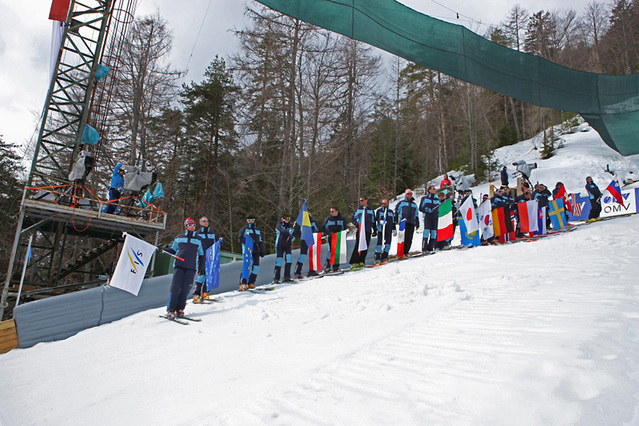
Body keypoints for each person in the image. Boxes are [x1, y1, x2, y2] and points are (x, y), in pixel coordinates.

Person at [164, 217, 204, 319]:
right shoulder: (179, 238)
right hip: (179, 266)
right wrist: (164, 250)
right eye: (190, 225)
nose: (192, 227)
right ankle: (171, 310)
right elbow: (173, 250)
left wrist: (201, 267)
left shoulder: (198, 240)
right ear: (186, 226)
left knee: (186, 288)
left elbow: (201, 254)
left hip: (191, 268)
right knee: (175, 288)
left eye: (194, 225)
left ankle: (180, 309)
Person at [238, 214, 266, 290]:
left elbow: (260, 241)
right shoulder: (244, 229)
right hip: (247, 251)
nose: (251, 222)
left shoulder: (257, 230)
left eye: (252, 220)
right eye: (249, 220)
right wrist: (249, 242)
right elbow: (240, 239)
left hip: (256, 250)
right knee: (246, 266)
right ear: (247, 221)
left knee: (256, 267)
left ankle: (251, 282)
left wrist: (262, 250)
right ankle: (243, 283)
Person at [193, 217, 216, 303]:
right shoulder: (197, 233)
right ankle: (196, 293)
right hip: (201, 256)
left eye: (207, 221)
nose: (206, 222)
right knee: (201, 275)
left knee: (209, 275)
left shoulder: (212, 233)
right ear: (200, 222)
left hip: (210, 256)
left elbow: (215, 244)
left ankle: (205, 292)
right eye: (204, 221)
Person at [349, 196, 375, 267]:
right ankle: (354, 262)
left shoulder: (370, 210)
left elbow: (373, 220)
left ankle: (361, 260)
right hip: (360, 231)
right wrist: (357, 224)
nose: (361, 202)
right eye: (360, 201)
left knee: (365, 246)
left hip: (368, 230)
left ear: (366, 200)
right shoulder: (358, 209)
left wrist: (375, 230)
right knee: (358, 245)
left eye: (362, 200)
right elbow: (353, 219)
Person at [294, 212, 321, 279]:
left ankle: (312, 270)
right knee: (302, 255)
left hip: (312, 239)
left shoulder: (313, 221)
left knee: (313, 255)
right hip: (304, 240)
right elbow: (297, 232)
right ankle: (297, 272)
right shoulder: (301, 222)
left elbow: (318, 230)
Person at [395, 189, 419, 257]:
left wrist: (417, 223)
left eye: (410, 194)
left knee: (409, 238)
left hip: (411, 222)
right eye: (408, 194)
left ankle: (406, 252)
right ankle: (400, 252)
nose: (409, 195)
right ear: (405, 195)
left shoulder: (414, 204)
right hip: (403, 222)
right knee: (402, 238)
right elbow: (397, 211)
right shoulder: (401, 203)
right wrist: (396, 220)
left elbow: (416, 215)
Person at [322, 206, 347, 272]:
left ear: (337, 211)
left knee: (337, 252)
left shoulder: (342, 218)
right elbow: (323, 228)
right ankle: (327, 266)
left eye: (332, 211)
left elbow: (344, 228)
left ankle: (335, 267)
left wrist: (342, 234)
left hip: (338, 237)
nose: (331, 213)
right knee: (331, 251)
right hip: (331, 237)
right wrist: (329, 233)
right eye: (330, 211)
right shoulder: (328, 219)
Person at [419, 185, 441, 253]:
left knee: (434, 233)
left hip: (435, 218)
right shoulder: (424, 198)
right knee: (426, 232)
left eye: (435, 189)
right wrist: (426, 209)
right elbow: (420, 208)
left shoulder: (437, 200)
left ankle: (430, 248)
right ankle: (424, 248)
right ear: (429, 190)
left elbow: (440, 208)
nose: (435, 190)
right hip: (427, 217)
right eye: (433, 189)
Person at [273, 214, 294, 283]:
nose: (287, 220)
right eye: (285, 218)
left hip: (287, 245)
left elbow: (291, 235)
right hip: (280, 245)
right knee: (279, 261)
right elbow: (282, 232)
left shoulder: (290, 226)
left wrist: (292, 236)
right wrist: (289, 232)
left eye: (288, 218)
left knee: (289, 259)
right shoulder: (279, 226)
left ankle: (287, 276)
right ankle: (276, 278)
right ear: (282, 219)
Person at [374, 199, 396, 263]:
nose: (383, 205)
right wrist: (380, 221)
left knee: (388, 243)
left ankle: (385, 256)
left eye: (385, 203)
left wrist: (394, 229)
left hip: (388, 230)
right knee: (379, 244)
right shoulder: (379, 211)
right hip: (381, 230)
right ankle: (377, 257)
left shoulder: (390, 212)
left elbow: (393, 221)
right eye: (382, 203)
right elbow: (377, 218)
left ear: (388, 204)